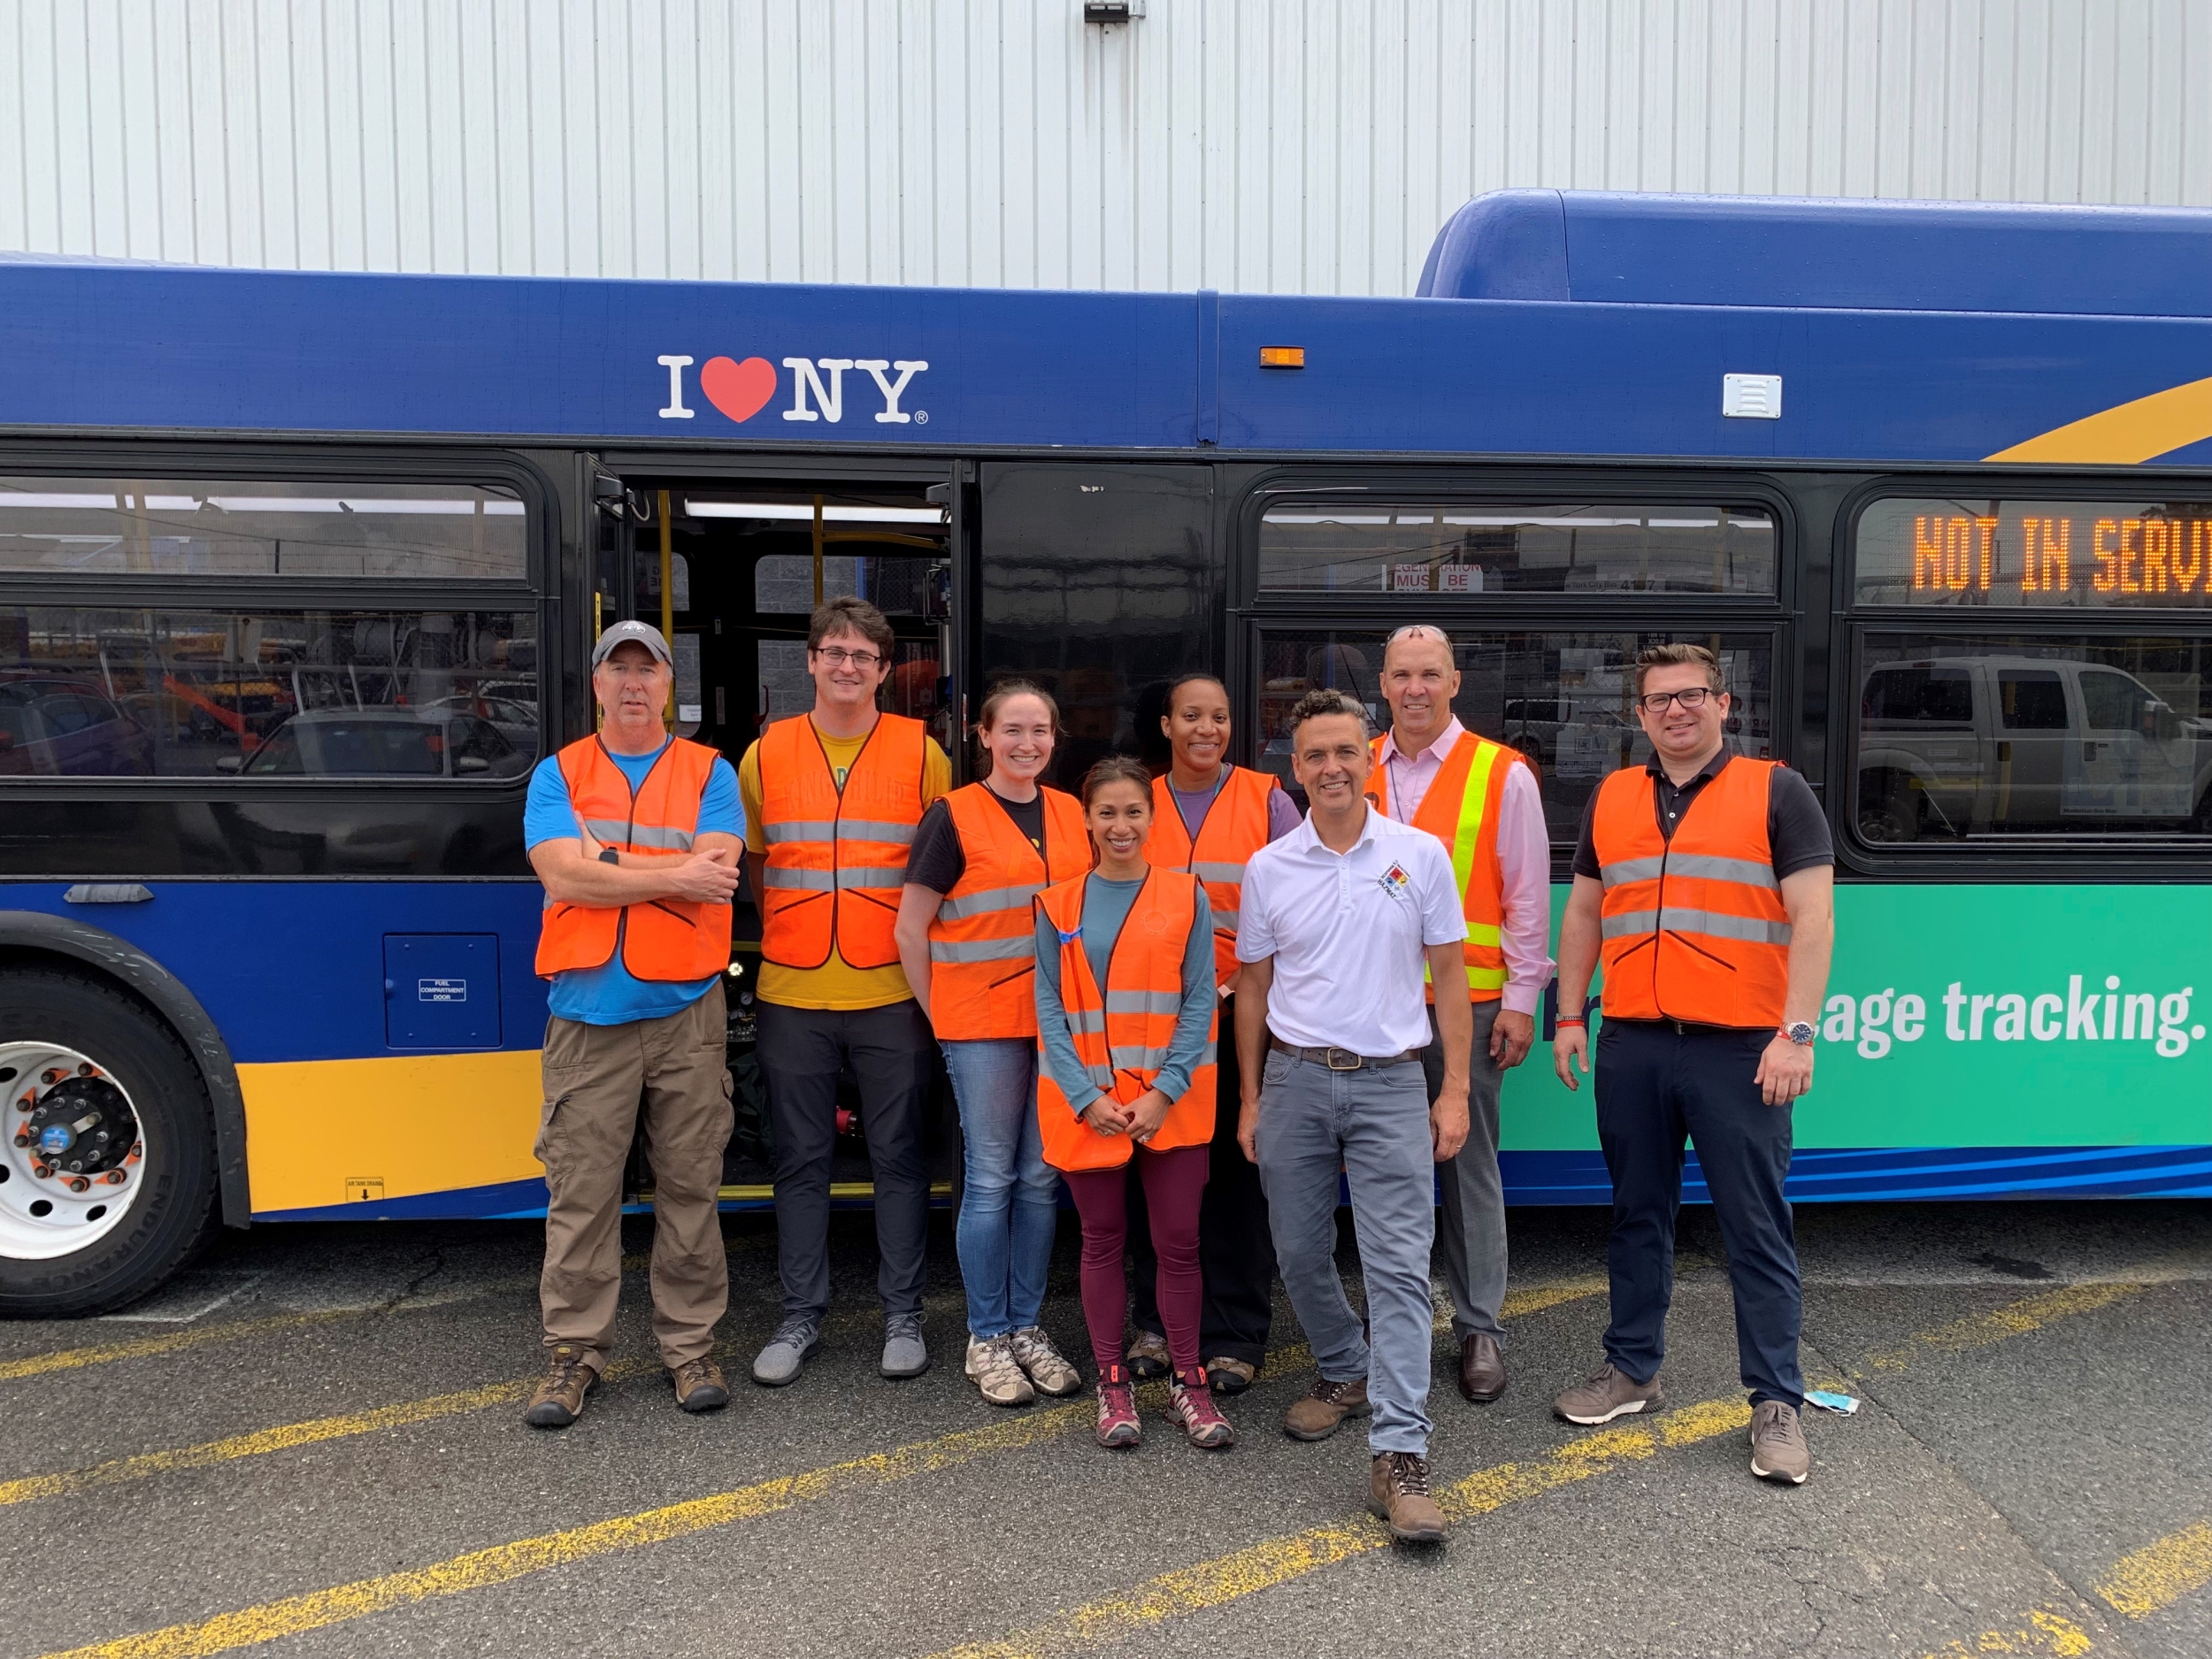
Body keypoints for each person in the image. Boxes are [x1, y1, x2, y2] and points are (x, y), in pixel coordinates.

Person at [1550, 643, 1834, 1487]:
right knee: (1638, 1212)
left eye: (1691, 696)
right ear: (1638, 715)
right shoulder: (1614, 797)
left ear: (1723, 703)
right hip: (1634, 1041)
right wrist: (1570, 1015)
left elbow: (1813, 919)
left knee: (1755, 1225)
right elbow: (1585, 915)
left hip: (1740, 1048)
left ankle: (1776, 1401)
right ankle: (1633, 1368)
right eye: (1658, 700)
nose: (1676, 711)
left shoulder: (1778, 791)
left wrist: (1799, 1033)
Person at [1236, 688, 1471, 1544]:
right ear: (1293, 769)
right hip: (1296, 1082)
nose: (1330, 767)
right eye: (1313, 756)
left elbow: (1449, 976)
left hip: (1390, 1084)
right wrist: (1253, 1096)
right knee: (1297, 1251)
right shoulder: (1270, 868)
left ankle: (1400, 1455)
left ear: (1369, 756)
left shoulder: (1420, 855)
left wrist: (1451, 1091)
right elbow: (1254, 987)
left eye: (1345, 751)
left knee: (1401, 1267)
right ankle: (1345, 1366)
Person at [521, 620, 742, 1427]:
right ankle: (573, 1355)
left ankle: (691, 1350)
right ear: (598, 684)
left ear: (667, 683)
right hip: (587, 1014)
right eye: (618, 669)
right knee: (580, 1192)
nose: (633, 684)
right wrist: (667, 871)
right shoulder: (557, 773)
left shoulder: (710, 772)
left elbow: (713, 877)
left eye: (647, 669)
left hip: (685, 1011)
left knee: (692, 1187)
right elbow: (559, 873)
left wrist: (604, 865)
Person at [741, 596, 953, 1387]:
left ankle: (904, 1313)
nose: (847, 666)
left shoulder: (921, 751)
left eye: (863, 655)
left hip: (891, 988)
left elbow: (936, 869)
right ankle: (801, 1315)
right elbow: (758, 863)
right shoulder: (765, 754)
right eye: (834, 651)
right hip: (793, 987)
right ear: (810, 661)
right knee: (801, 1158)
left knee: (899, 1156)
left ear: (884, 670)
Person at [1368, 625, 1553, 1405]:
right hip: (1369, 1009)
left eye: (1430, 674)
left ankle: (1480, 1327)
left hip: (1465, 1009)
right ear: (1384, 684)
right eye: (1402, 674)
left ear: (1454, 681)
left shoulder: (1502, 774)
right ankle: (1400, 1322)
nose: (1415, 688)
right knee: (1388, 1174)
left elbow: (1528, 898)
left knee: (1466, 1166)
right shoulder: (1354, 761)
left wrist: (1519, 1001)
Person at [895, 680, 1088, 1407]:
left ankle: (1028, 1326)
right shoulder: (954, 815)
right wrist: (940, 1012)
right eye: (1012, 729)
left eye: (1040, 730)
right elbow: (911, 929)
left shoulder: (1071, 813)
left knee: (1042, 1179)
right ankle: (987, 1335)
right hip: (980, 1026)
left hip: (1059, 1025)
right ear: (983, 735)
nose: (1027, 743)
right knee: (991, 1178)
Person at [1033, 755, 1233, 1451]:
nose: (1122, 824)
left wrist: (1164, 1091)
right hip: (1088, 1106)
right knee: (1101, 1242)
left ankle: (1188, 1378)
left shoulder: (1187, 894)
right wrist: (1086, 1096)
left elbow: (1202, 998)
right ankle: (1112, 1382)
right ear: (1086, 818)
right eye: (1107, 812)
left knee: (1179, 1244)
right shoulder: (1056, 903)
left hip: (1167, 1106)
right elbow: (1050, 1011)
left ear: (1152, 817)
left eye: (1134, 811)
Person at [1125, 673, 1300, 1395]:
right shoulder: (1138, 800)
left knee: (1237, 1178)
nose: (1207, 728)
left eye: (1220, 716)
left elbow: (1303, 904)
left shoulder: (1269, 798)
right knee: (1153, 1179)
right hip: (1151, 1028)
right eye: (1191, 715)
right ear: (1165, 724)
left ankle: (1235, 1333)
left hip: (1240, 1023)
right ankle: (1156, 1324)